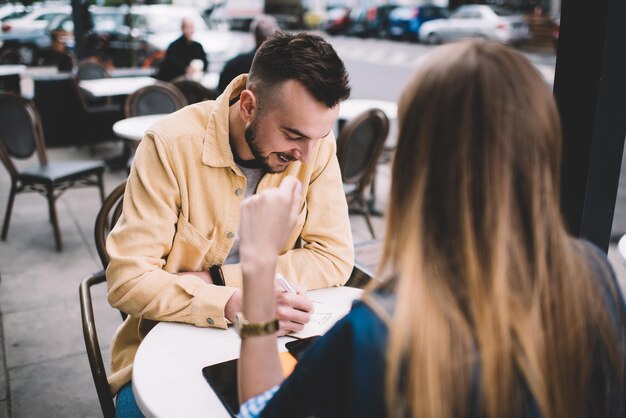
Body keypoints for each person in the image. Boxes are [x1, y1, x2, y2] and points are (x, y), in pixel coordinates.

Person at [235, 40, 626, 418]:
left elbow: (260, 410)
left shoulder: (376, 334)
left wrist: (259, 263)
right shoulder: (595, 278)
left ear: (416, 166)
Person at [106, 31, 354, 416]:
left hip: (275, 340)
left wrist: (216, 278)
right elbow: (127, 282)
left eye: (317, 138)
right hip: (163, 351)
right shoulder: (170, 145)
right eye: (293, 135)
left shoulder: (315, 147)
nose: (305, 156)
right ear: (249, 106)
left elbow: (335, 258)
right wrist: (235, 299)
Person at [217, 15, 279, 95]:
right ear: (275, 36)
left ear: (254, 35)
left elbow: (220, 95)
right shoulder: (281, 67)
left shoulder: (233, 65)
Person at [156, 17, 208, 82]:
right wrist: (186, 69)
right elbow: (172, 63)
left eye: (191, 27)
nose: (189, 30)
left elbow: (205, 62)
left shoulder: (198, 46)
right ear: (182, 29)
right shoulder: (174, 46)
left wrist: (199, 70)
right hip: (175, 81)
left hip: (194, 79)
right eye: (187, 27)